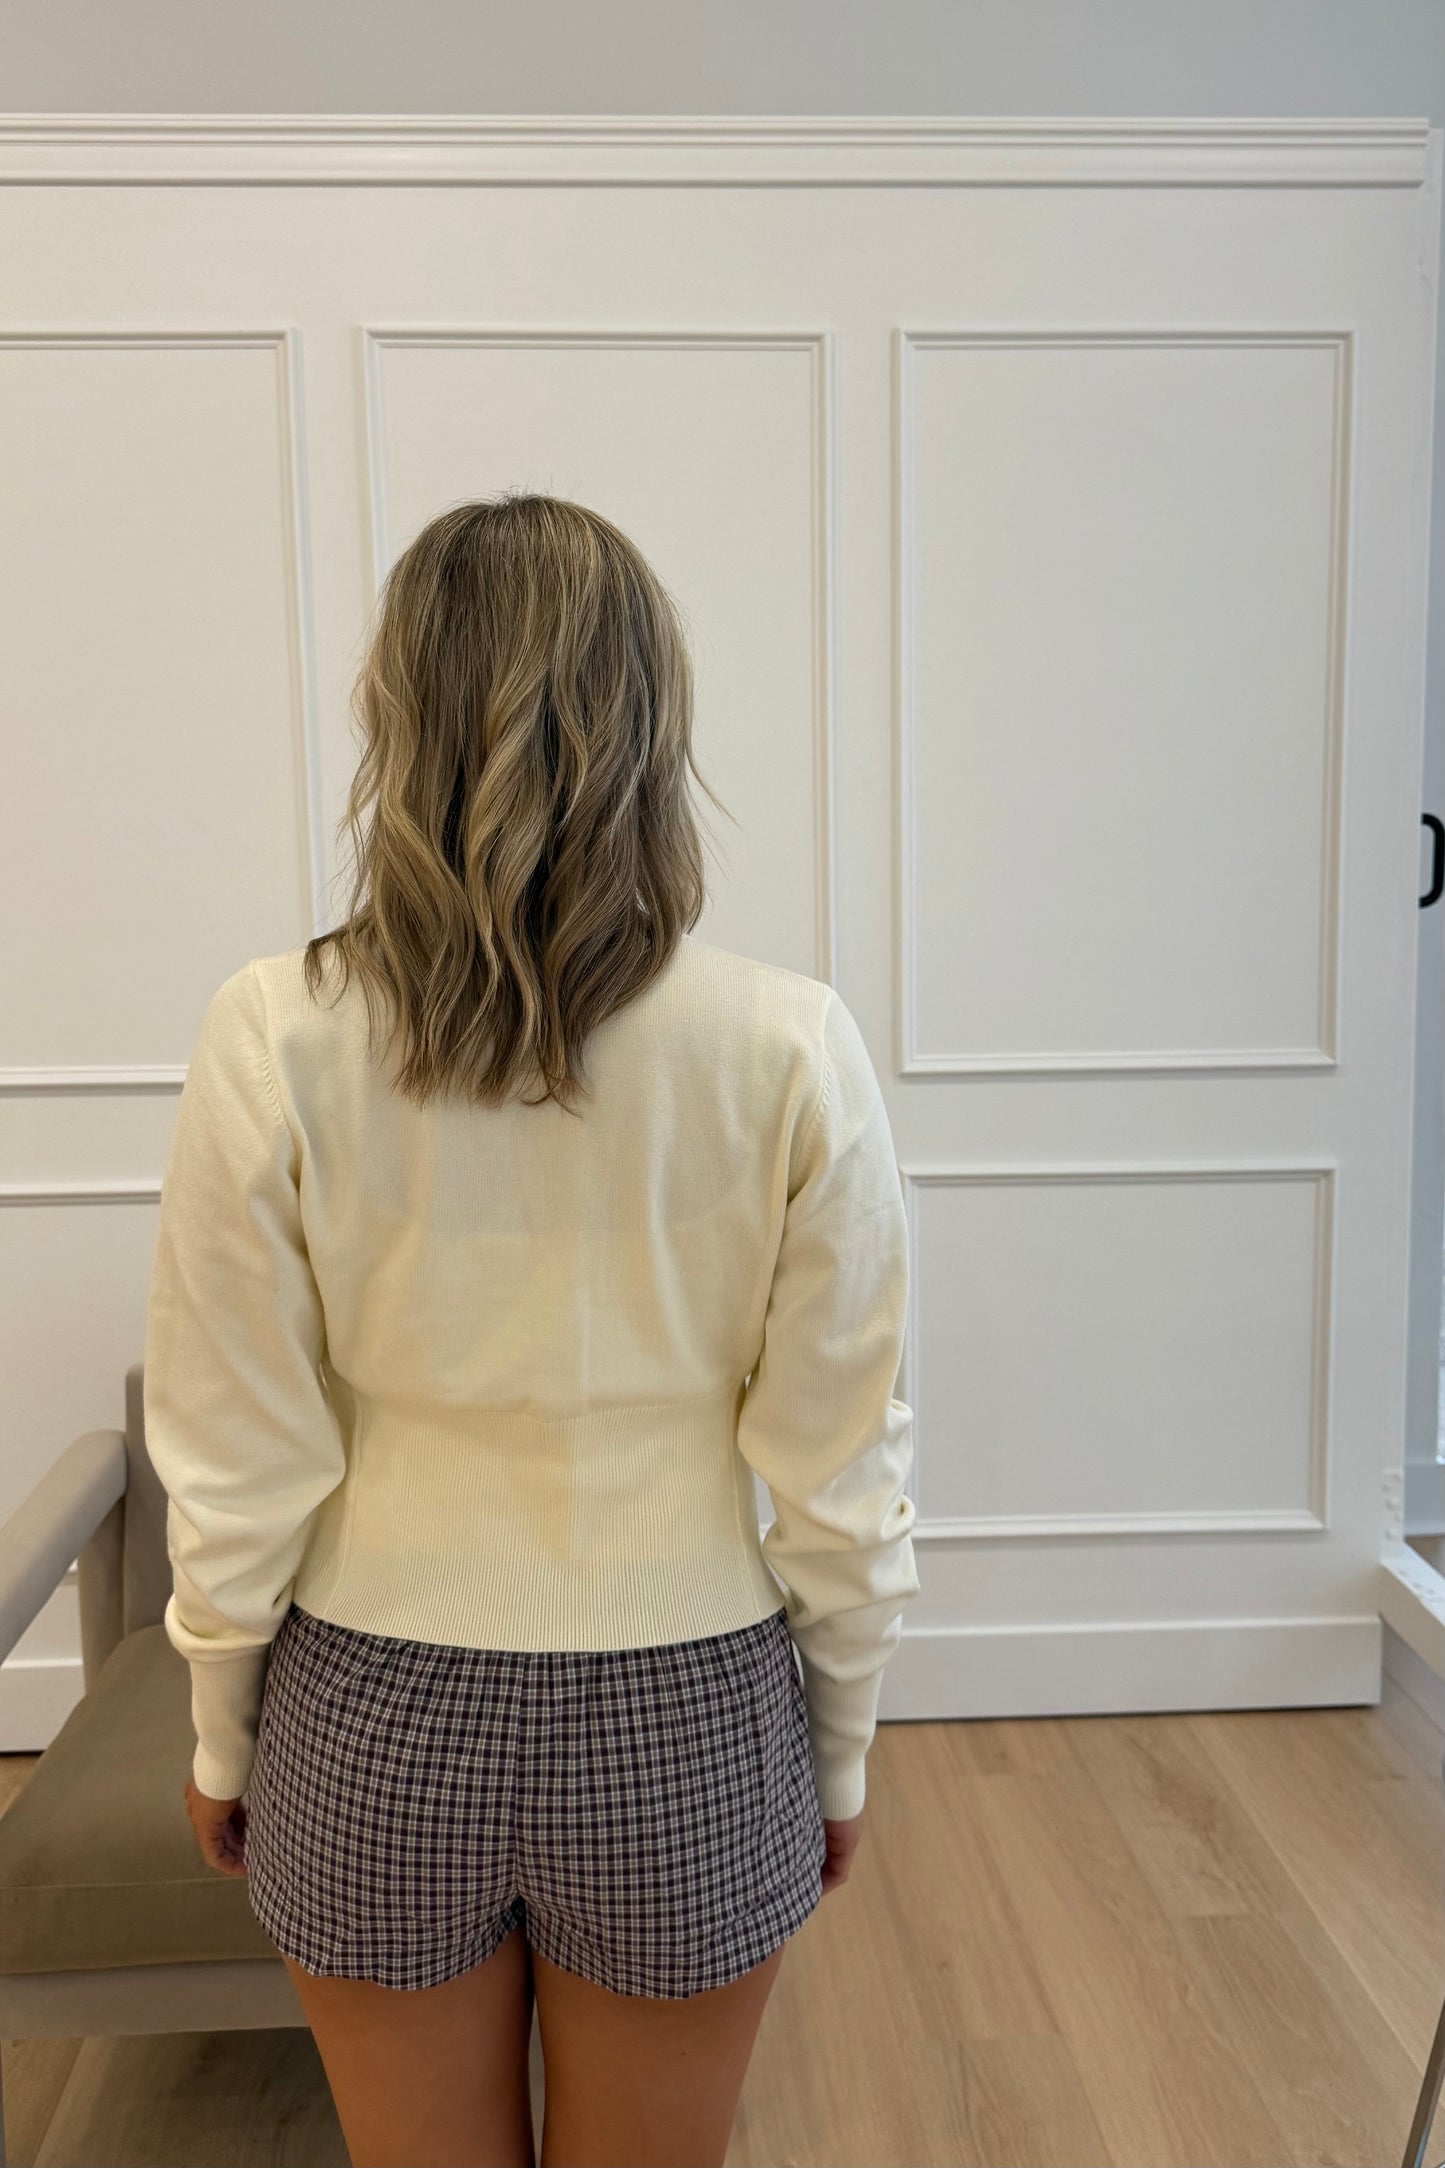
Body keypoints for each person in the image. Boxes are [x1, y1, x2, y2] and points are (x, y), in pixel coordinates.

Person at [142, 490, 920, 2168]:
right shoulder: (789, 1047)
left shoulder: (272, 1031)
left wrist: (222, 1722)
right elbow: (841, 1465)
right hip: (693, 1705)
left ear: (395, 723)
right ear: (654, 726)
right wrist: (837, 1751)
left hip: (368, 1699)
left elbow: (236, 1441)